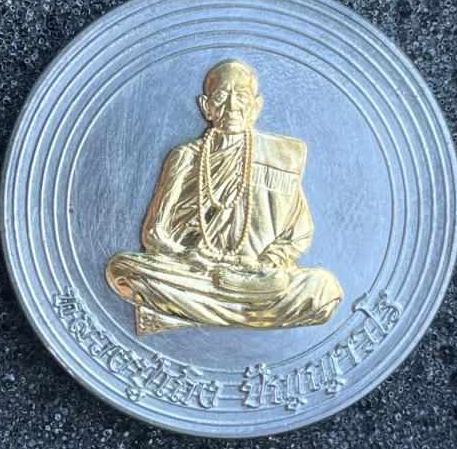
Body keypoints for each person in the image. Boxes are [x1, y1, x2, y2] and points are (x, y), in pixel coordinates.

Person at [106, 59, 342, 334]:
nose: (232, 107)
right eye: (221, 97)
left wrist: (267, 263)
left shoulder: (279, 158)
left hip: (255, 277)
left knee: (324, 289)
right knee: (122, 269)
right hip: (197, 271)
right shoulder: (185, 156)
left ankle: (178, 315)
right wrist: (188, 255)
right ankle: (246, 315)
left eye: (242, 97)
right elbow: (153, 233)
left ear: (256, 107)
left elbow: (299, 233)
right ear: (206, 107)